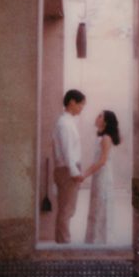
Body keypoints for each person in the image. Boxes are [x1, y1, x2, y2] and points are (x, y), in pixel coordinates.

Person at [51, 89, 86, 243]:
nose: (82, 108)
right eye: (81, 104)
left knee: (67, 209)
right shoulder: (64, 124)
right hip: (67, 170)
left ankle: (62, 241)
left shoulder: (68, 121)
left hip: (68, 169)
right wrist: (74, 171)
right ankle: (64, 243)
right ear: (72, 102)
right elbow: (67, 151)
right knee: (66, 210)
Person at [81, 110, 121, 245]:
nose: (96, 117)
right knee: (97, 206)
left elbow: (102, 161)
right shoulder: (101, 138)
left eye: (100, 116)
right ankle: (94, 240)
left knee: (102, 207)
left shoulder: (106, 138)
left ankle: (101, 241)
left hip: (103, 177)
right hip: (99, 177)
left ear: (105, 121)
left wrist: (85, 174)